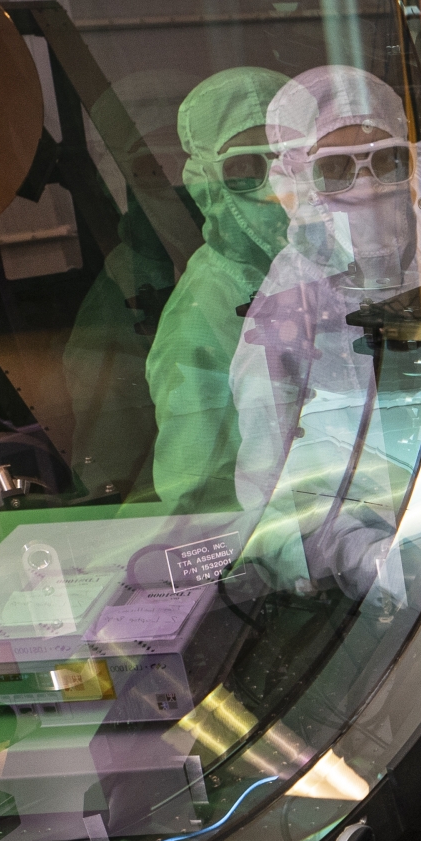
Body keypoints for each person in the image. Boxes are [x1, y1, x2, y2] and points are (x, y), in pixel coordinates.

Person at [227, 66, 421, 602]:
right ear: (297, 182)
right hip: (365, 590)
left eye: (386, 160)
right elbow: (274, 505)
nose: (368, 186)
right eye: (336, 170)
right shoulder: (285, 316)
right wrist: (364, 560)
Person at [146, 65, 291, 510]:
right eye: (246, 168)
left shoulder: (312, 271)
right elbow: (198, 500)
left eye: (289, 156)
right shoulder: (200, 317)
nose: (275, 189)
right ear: (204, 184)